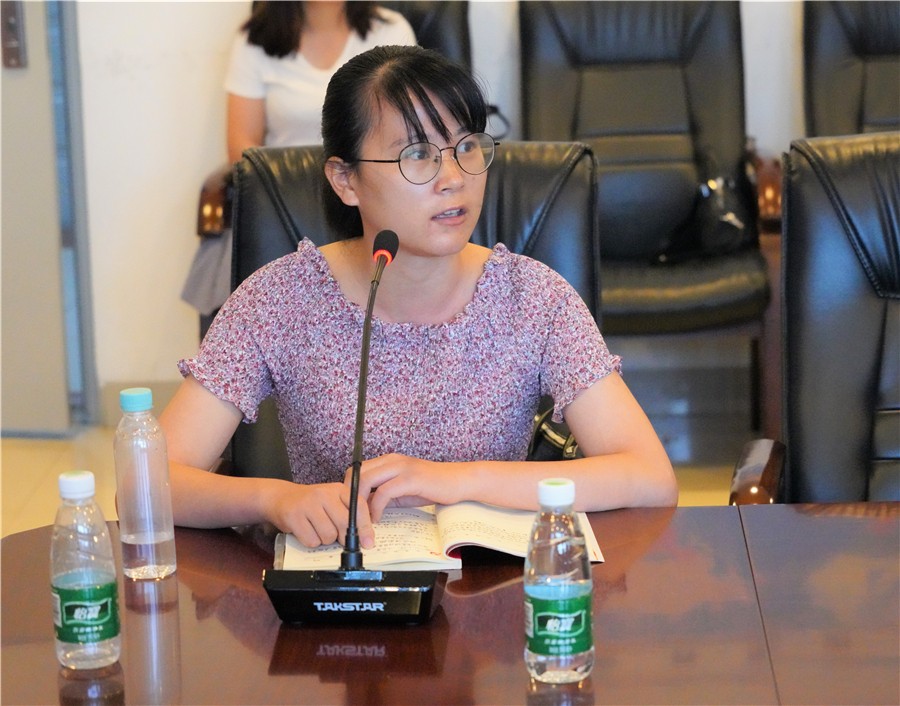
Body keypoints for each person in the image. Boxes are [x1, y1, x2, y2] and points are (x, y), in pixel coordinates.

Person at [162, 45, 678, 551]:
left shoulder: (533, 297)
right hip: (342, 585)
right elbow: (149, 482)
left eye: (467, 147)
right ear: (345, 180)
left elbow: (649, 476)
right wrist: (273, 500)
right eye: (417, 155)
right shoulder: (281, 299)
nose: (453, 179)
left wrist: (457, 481)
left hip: (491, 588)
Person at [181, 1, 416, 321]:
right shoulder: (255, 41)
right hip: (284, 201)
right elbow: (241, 148)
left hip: (369, 198)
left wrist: (355, 183)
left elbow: (408, 133)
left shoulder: (391, 30)